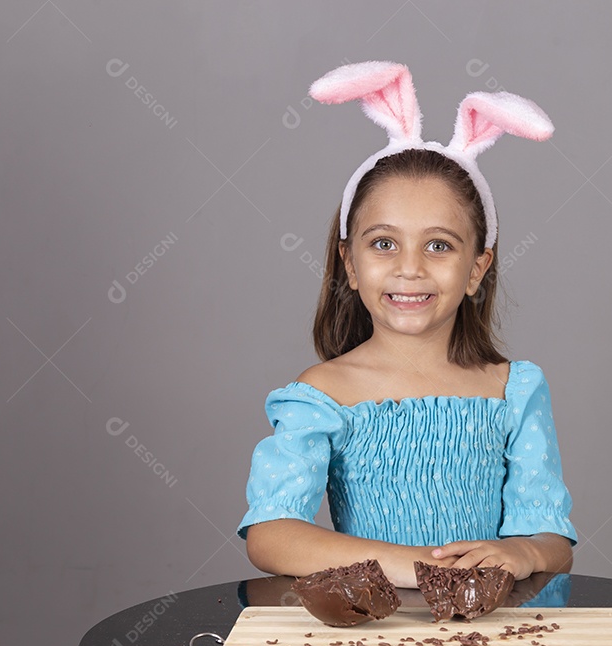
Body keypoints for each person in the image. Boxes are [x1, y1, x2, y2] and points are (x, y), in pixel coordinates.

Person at [236, 61, 577, 588]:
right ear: (350, 263)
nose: (410, 268)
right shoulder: (322, 394)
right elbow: (273, 534)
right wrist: (423, 567)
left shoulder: (514, 390)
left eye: (438, 245)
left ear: (477, 269)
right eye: (384, 243)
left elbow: (551, 537)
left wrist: (524, 553)